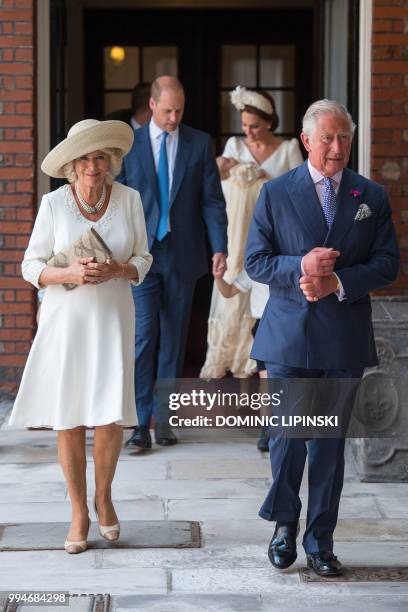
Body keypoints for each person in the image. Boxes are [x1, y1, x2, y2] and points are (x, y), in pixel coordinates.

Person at [245, 99, 400, 576]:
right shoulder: (276, 193)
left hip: (342, 336)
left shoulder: (369, 195)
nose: (337, 148)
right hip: (289, 336)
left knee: (328, 445)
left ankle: (321, 542)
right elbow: (256, 261)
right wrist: (301, 267)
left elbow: (389, 264)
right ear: (305, 141)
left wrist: (338, 281)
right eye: (327, 138)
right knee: (289, 437)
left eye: (344, 139)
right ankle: (284, 526)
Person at [9, 119, 153, 554]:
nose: (93, 165)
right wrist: (68, 272)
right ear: (72, 165)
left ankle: (104, 497)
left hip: (112, 319)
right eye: (85, 158)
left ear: (110, 161)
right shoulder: (53, 204)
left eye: (100, 157)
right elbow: (30, 267)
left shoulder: (129, 199)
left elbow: (144, 258)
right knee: (69, 416)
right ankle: (78, 511)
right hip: (66, 321)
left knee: (109, 414)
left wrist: (120, 269)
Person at [118, 76, 228, 449]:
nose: (174, 117)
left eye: (179, 110)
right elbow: (116, 199)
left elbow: (212, 200)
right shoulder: (128, 145)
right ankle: (138, 423)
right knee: (144, 337)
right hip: (141, 257)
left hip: (183, 254)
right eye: (167, 110)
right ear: (151, 105)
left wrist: (220, 246)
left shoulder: (199, 143)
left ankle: (164, 421)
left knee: (174, 340)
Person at [200, 86, 303, 380]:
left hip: (274, 231)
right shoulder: (234, 145)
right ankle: (227, 357)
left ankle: (258, 363)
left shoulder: (288, 149)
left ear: (270, 122)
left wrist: (263, 177)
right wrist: (222, 167)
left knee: (266, 297)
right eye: (245, 126)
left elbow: (299, 191)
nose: (249, 133)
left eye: (255, 126)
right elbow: (215, 185)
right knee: (236, 285)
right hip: (237, 230)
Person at [212, 266, 270, 451]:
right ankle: (267, 430)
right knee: (267, 381)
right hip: (264, 325)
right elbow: (228, 292)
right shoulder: (256, 266)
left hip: (291, 322)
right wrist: (218, 278)